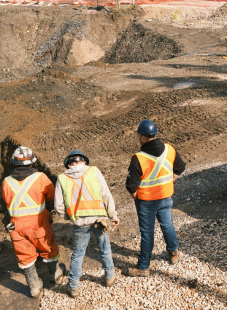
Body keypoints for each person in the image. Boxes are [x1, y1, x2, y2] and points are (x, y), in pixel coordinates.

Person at [125, 120, 186, 276]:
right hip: (165, 197)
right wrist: (170, 181)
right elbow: (180, 167)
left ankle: (143, 267)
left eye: (139, 135)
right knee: (167, 225)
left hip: (146, 202)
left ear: (143, 137)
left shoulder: (138, 158)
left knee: (147, 234)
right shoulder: (169, 149)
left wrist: (137, 199)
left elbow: (131, 186)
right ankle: (173, 253)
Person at [55, 150, 119, 298]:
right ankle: (109, 277)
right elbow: (106, 195)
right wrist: (113, 215)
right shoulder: (94, 171)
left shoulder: (62, 178)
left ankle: (73, 286)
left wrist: (71, 217)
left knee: (78, 253)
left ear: (69, 165)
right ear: (84, 162)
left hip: (80, 223)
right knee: (105, 248)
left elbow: (58, 206)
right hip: (99, 220)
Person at [1, 146, 61, 299]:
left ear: (14, 162)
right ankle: (55, 275)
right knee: (48, 248)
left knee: (24, 255)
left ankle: (34, 288)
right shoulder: (40, 177)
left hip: (16, 226)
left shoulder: (6, 182)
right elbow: (51, 195)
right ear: (32, 162)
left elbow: (6, 201)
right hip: (38, 223)